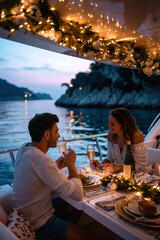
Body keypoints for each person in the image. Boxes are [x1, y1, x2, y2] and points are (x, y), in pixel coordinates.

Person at [12, 113, 95, 240]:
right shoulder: (42, 159)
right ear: (47, 135)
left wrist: (55, 166)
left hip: (28, 211)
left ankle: (64, 231)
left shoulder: (24, 149)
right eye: (56, 132)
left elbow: (38, 176)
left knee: (80, 206)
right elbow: (78, 194)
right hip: (37, 221)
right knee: (89, 237)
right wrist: (70, 164)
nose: (59, 136)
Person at [92, 108, 148, 173]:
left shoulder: (135, 136)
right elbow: (110, 157)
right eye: (109, 123)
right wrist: (102, 164)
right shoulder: (111, 136)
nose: (109, 126)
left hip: (138, 176)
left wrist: (117, 168)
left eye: (112, 124)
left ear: (123, 124)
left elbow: (141, 167)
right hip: (119, 175)